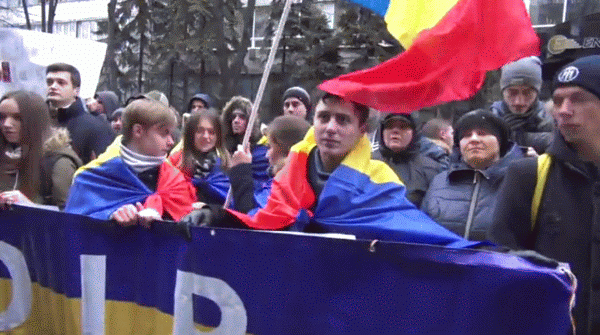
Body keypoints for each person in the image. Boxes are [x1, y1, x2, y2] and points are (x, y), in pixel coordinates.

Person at [188, 93, 474, 247]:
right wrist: (216, 215)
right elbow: (262, 218)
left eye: (343, 120)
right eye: (324, 118)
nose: (331, 128)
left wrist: (488, 256)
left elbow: (415, 234)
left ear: (362, 129)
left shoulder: (380, 178)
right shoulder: (292, 171)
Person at [488, 55, 600, 334]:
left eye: (578, 98)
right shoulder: (529, 176)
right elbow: (502, 267)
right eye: (559, 100)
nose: (563, 110)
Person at [65, 98, 196, 226]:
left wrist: (164, 220)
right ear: (138, 131)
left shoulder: (176, 181)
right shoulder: (92, 178)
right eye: (164, 133)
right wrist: (110, 216)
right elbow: (74, 226)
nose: (171, 142)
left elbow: (190, 232)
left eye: (171, 134)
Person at [421, 110, 521, 241]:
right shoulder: (440, 181)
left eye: (482, 133)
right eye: (467, 135)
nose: (474, 139)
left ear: (500, 142)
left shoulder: (520, 181)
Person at [0, 91, 81, 209]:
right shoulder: (4, 155)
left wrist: (28, 206)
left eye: (18, 118)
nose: (6, 124)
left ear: (36, 121)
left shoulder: (59, 162)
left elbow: (70, 215)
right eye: (2, 117)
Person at [228, 115, 311, 214]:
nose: (267, 155)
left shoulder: (286, 185)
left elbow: (252, 215)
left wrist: (241, 169)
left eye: (269, 147)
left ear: (284, 150)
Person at [46, 63, 114, 164]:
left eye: (61, 82)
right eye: (49, 82)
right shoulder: (39, 122)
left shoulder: (96, 126)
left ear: (76, 90)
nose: (53, 86)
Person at [372, 113, 442, 207]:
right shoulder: (366, 163)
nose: (395, 131)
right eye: (389, 126)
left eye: (403, 127)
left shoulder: (431, 169)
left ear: (414, 133)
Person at [489, 56, 553, 154]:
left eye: (527, 93)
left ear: (537, 93)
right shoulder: (489, 119)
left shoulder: (554, 119)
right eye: (512, 93)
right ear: (502, 91)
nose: (519, 102)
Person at [168, 111, 231, 206]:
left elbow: (232, 206)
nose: (206, 136)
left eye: (211, 132)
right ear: (190, 134)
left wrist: (209, 209)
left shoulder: (226, 165)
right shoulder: (174, 162)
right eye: (199, 131)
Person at [221, 96, 269, 186]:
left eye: (242, 117)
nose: (236, 121)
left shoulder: (261, 151)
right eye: (233, 117)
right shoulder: (223, 149)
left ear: (250, 121)